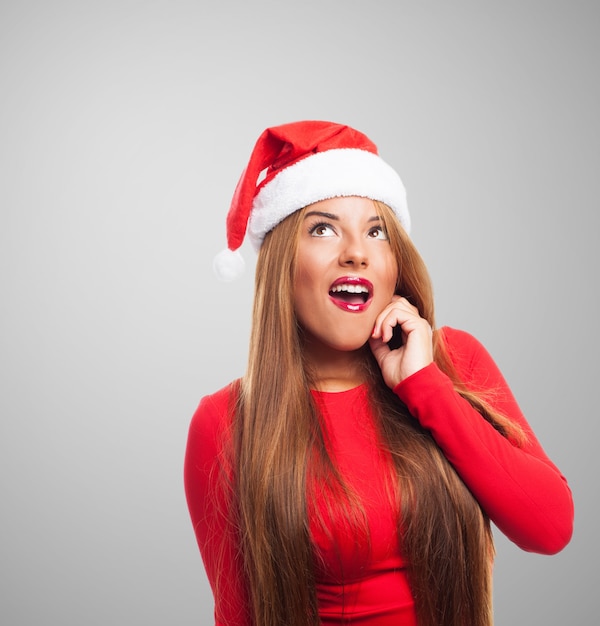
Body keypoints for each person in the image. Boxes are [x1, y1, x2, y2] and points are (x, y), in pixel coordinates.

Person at [184, 120, 574, 626]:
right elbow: (239, 615)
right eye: (322, 228)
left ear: (394, 260)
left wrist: (423, 385)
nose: (356, 251)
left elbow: (549, 528)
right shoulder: (224, 423)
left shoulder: (453, 360)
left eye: (376, 231)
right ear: (281, 262)